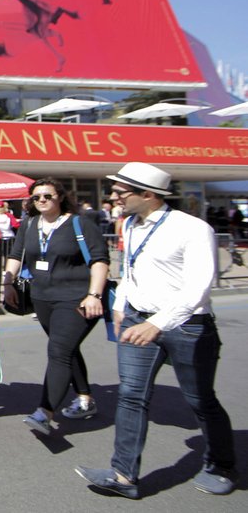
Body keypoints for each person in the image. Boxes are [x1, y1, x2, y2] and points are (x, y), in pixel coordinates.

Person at [77, 162, 238, 499]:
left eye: (121, 192)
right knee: (131, 397)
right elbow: (130, 267)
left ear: (148, 195)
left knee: (201, 400)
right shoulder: (130, 224)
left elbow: (198, 288)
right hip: (138, 319)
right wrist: (121, 303)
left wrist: (157, 323)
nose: (113, 198)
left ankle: (221, 465)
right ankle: (124, 476)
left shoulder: (192, 229)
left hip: (187, 326)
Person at [2, 178, 109, 435]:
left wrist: (94, 294)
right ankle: (85, 399)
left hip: (77, 298)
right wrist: (7, 283)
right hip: (42, 298)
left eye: (47, 196)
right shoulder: (29, 224)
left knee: (59, 350)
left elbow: (99, 260)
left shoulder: (79, 223)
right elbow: (16, 255)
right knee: (66, 349)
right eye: (36, 197)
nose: (41, 201)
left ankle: (44, 412)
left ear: (60, 197)